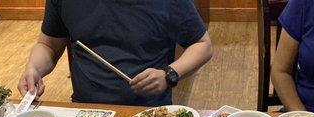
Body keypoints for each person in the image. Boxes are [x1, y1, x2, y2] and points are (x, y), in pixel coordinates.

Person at [18, 0, 213, 106]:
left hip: (147, 111)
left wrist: (169, 75)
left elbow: (202, 44)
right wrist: (33, 68)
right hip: (86, 110)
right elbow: (49, 45)